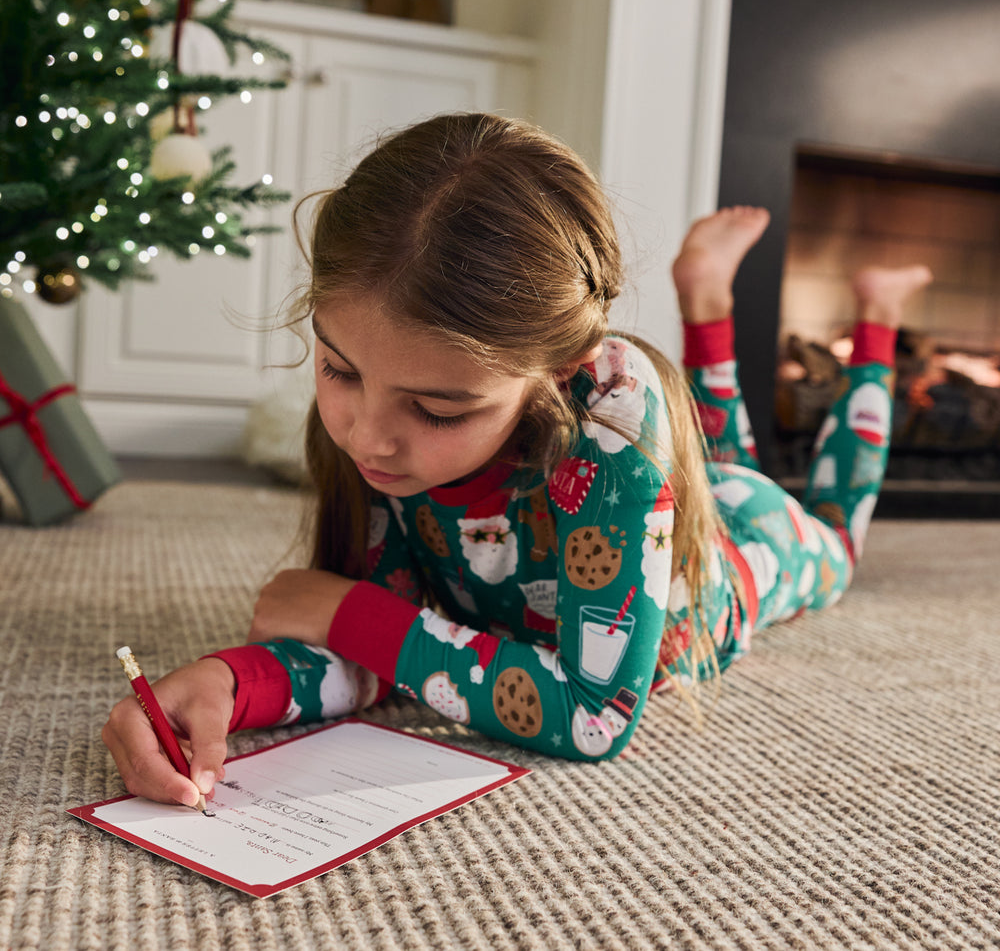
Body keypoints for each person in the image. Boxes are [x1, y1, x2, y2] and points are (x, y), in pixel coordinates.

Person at [102, 112, 932, 805]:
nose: (366, 436)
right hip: (659, 497)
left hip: (745, 548)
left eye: (435, 409)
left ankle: (875, 325)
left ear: (559, 374)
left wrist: (341, 611)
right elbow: (386, 656)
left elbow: (593, 714)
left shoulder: (615, 419)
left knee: (821, 525)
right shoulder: (387, 415)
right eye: (338, 371)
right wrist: (234, 685)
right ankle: (707, 300)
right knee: (713, 456)